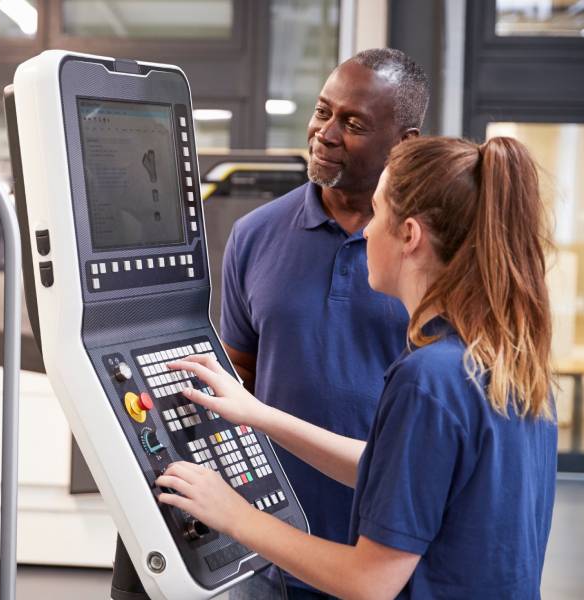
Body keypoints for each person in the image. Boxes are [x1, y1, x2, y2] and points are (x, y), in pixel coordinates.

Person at [160, 136, 557, 599]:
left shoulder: (428, 380)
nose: (365, 232)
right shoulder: (501, 360)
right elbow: (391, 470)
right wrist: (258, 414)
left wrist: (233, 514)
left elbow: (368, 582)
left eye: (378, 213)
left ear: (409, 235)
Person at [220, 47, 429, 599]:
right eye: (322, 112)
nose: (325, 133)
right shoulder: (253, 235)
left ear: (403, 143)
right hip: (271, 549)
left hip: (390, 555)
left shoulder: (427, 252)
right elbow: (236, 377)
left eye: (353, 123)